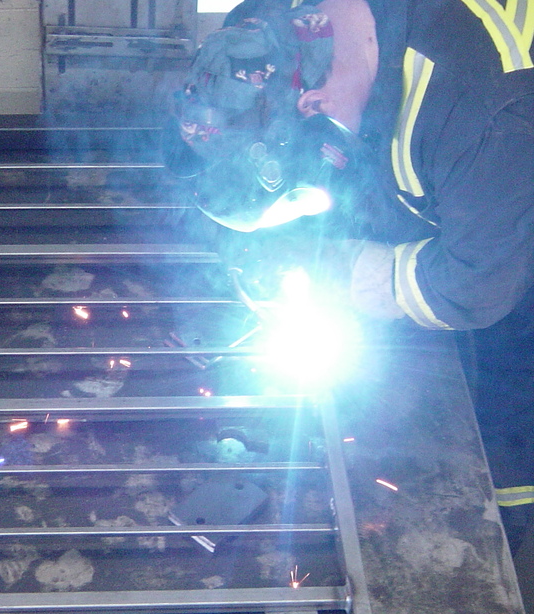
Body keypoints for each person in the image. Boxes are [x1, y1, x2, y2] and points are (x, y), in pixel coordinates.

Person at [165, 0, 534, 553]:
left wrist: (342, 272)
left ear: (315, 109)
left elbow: (476, 285)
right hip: (474, 173)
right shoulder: (268, 23)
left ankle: (500, 533)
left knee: (510, 381)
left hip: (510, 209)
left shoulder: (478, 108)